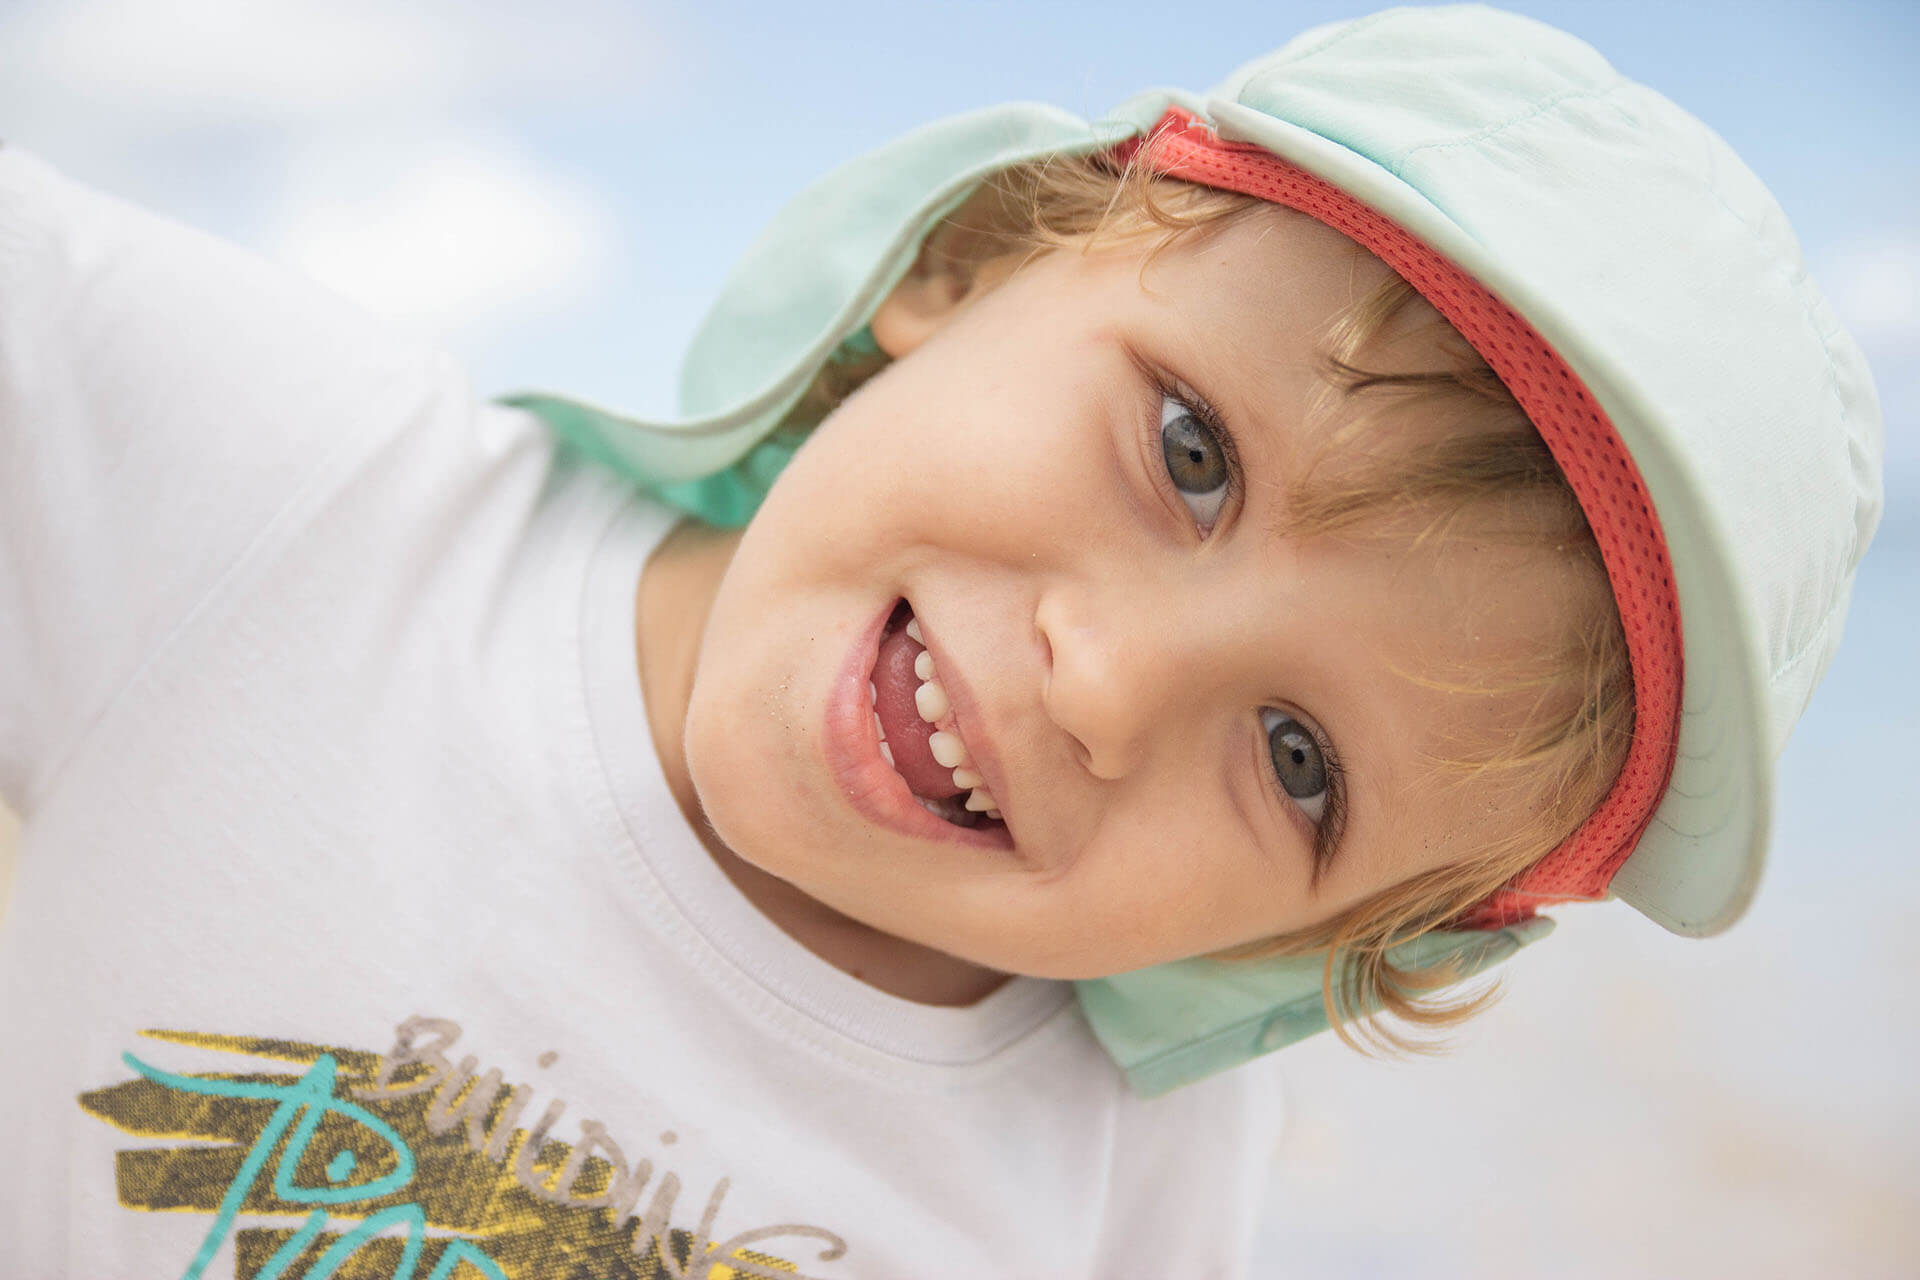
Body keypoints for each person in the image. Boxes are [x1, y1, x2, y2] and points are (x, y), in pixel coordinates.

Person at [0, 5, 1881, 1277]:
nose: (1112, 684)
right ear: (964, 263)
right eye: (1191, 450)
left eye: (1300, 761)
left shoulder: (1115, 1196)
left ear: (1324, 943)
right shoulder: (302, 503)